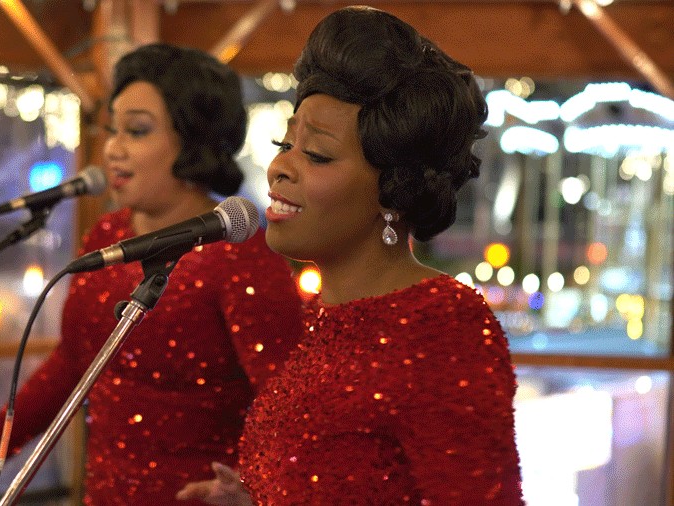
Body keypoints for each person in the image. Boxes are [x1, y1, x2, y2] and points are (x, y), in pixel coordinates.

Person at [0, 43, 304, 505]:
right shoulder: (108, 234)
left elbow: (291, 410)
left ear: (194, 140)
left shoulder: (241, 258)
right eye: (111, 129)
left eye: (136, 131)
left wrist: (254, 487)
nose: (113, 149)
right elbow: (75, 362)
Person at [177, 6, 523, 505]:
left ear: (392, 187)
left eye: (315, 154)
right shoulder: (324, 320)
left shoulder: (443, 325)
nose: (278, 167)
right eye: (284, 143)